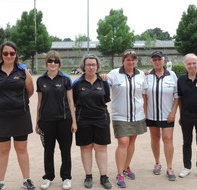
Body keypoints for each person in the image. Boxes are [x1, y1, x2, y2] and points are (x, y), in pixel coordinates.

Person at [0, 41, 36, 190]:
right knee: (3, 150)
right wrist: (1, 104)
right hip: (0, 117)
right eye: (6, 53)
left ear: (16, 55)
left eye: (12, 53)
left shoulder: (23, 71)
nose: (9, 56)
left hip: (20, 116)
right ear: (1, 55)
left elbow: (30, 91)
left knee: (22, 149)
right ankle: (0, 182)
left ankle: (26, 180)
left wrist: (16, 103)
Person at [35, 50, 77, 190]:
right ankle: (48, 176)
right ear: (46, 63)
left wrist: (74, 121)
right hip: (46, 121)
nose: (53, 64)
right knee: (48, 150)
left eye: (56, 61)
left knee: (65, 150)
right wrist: (37, 121)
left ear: (59, 64)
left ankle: (66, 177)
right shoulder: (41, 80)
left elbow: (71, 102)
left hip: (64, 120)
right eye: (50, 61)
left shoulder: (65, 79)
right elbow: (39, 102)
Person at [107, 49, 147, 188]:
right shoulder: (113, 74)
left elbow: (143, 94)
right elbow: (104, 87)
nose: (131, 62)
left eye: (133, 59)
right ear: (123, 60)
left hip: (137, 114)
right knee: (123, 142)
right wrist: (102, 77)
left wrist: (145, 112)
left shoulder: (141, 74)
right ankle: (119, 173)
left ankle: (126, 167)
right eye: (128, 59)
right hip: (120, 115)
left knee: (131, 141)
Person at [72, 54, 112, 189]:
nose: (91, 67)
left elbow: (105, 99)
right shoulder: (77, 83)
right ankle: (88, 176)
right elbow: (74, 102)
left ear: (97, 66)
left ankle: (103, 176)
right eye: (88, 65)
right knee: (86, 147)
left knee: (101, 148)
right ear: (83, 66)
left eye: (93, 65)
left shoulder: (104, 82)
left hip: (101, 119)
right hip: (83, 120)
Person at [144, 51, 179, 181]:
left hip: (167, 114)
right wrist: (145, 113)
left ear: (164, 60)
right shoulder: (147, 76)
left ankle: (169, 167)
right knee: (155, 138)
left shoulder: (172, 75)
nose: (157, 61)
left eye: (159, 59)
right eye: (154, 59)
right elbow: (144, 95)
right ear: (151, 61)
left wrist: (173, 112)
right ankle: (157, 162)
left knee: (167, 138)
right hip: (152, 114)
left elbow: (177, 96)